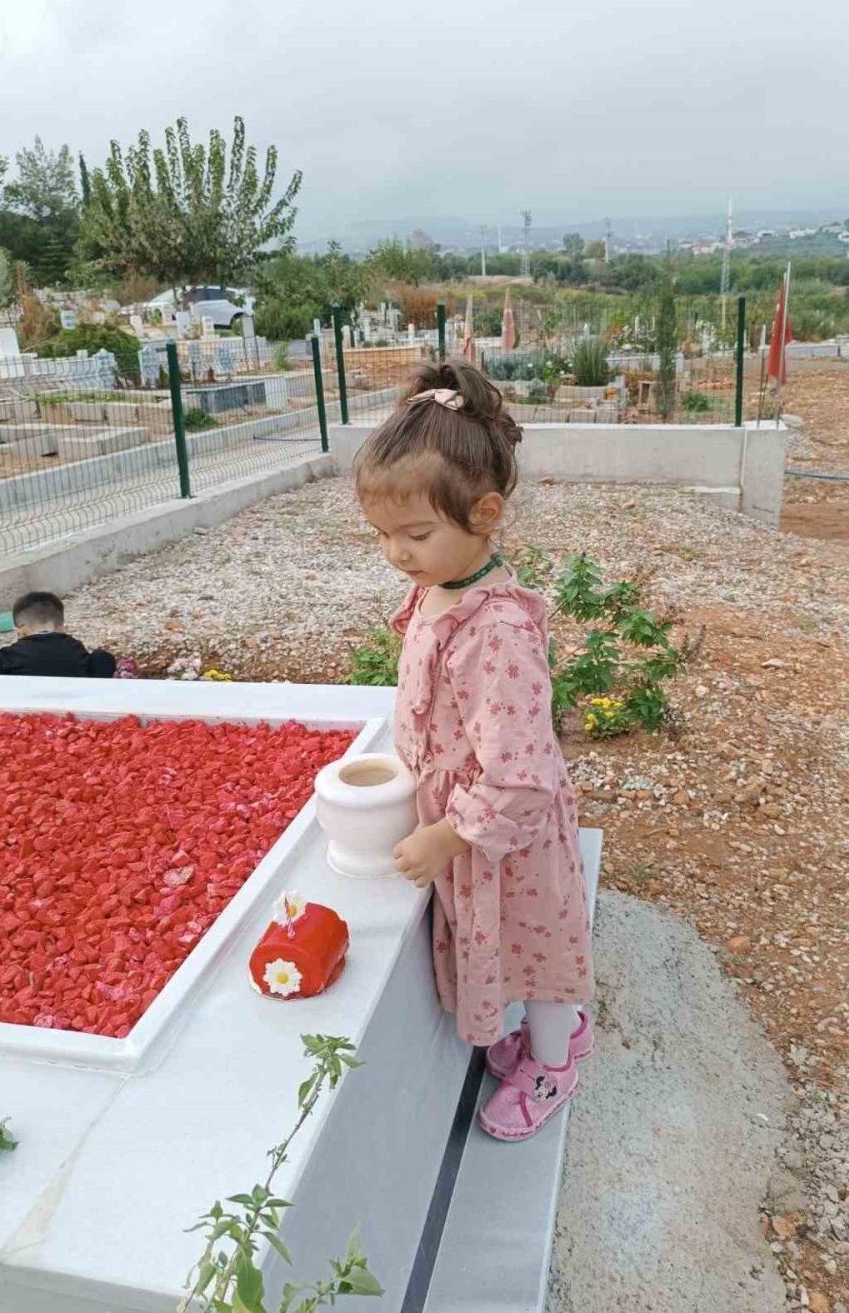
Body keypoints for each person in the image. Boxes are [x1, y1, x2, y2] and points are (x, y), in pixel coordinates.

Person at [354, 359, 595, 1141]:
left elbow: (520, 778)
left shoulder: (496, 632)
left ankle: (556, 1061)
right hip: (475, 828)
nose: (397, 552)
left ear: (485, 513)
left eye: (415, 534)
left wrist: (449, 832)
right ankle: (550, 1035)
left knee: (539, 949)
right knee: (523, 941)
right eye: (384, 534)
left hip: (504, 837)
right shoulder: (443, 588)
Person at [0, 591, 116, 678]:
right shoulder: (74, 646)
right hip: (73, 705)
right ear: (62, 628)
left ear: (20, 630)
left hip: (25, 711)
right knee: (101, 657)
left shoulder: (9, 654)